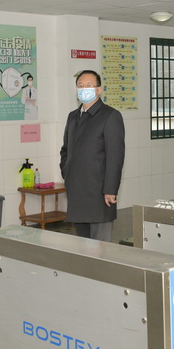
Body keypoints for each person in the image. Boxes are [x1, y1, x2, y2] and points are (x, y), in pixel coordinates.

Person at [60, 70, 125, 241]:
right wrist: (67, 173)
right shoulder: (73, 117)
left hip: (99, 192)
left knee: (100, 246)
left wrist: (110, 190)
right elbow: (65, 150)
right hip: (77, 189)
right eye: (80, 86)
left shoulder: (110, 116)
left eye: (89, 85)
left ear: (98, 90)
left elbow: (115, 157)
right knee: (82, 244)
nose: (84, 89)